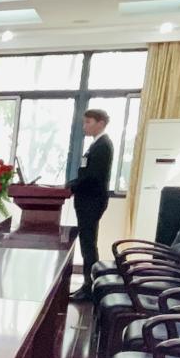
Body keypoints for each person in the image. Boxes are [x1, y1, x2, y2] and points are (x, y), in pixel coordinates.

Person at [69, 108, 114, 302]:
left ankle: (89, 287)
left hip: (91, 200)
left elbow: (93, 176)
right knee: (87, 243)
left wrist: (72, 186)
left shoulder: (103, 145)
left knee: (88, 245)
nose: (84, 126)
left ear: (100, 123)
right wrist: (71, 185)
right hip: (87, 200)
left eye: (88, 122)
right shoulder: (96, 144)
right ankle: (88, 285)